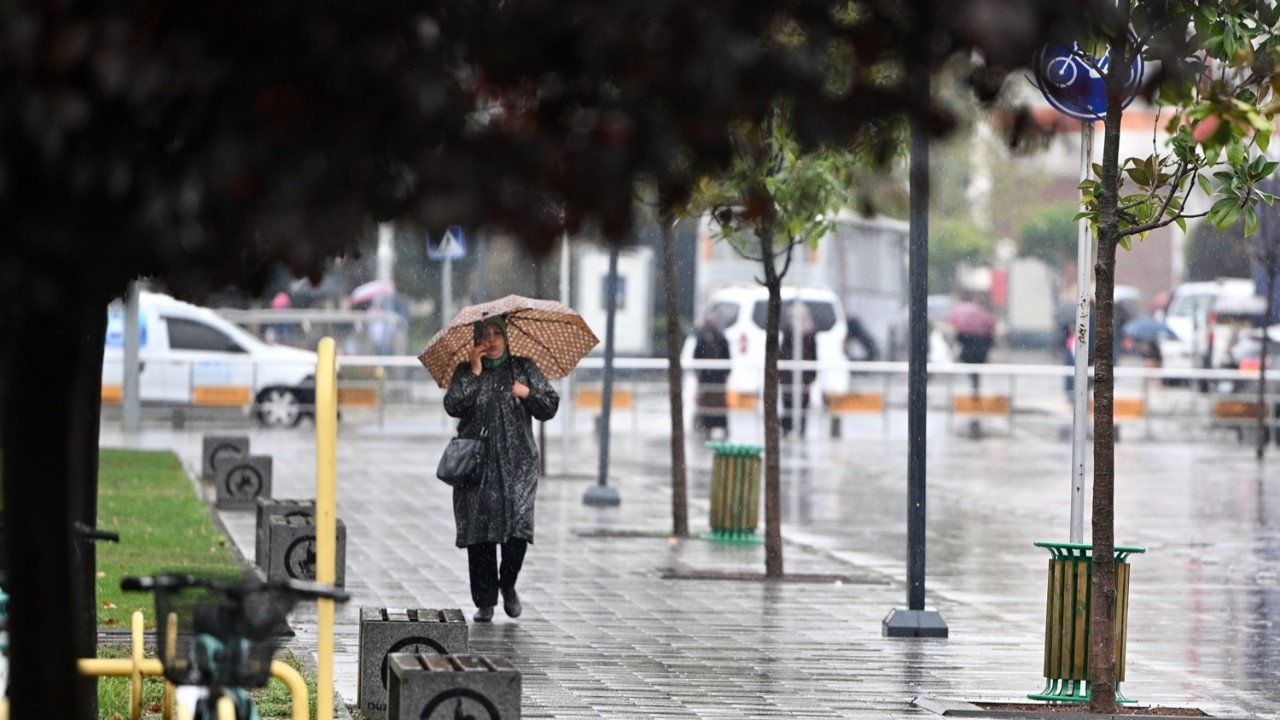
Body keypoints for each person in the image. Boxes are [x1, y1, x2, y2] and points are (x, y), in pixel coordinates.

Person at [443, 316, 559, 622]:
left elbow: (549, 405)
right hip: (477, 469)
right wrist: (475, 373)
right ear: (476, 341)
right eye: (485, 335)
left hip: (518, 466)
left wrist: (527, 393)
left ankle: (508, 585)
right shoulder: (466, 371)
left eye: (497, 333)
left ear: (507, 337)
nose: (491, 340)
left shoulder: (524, 368)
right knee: (480, 535)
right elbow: (453, 405)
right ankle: (485, 601)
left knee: (517, 530)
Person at [779, 301, 817, 438]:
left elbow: (813, 355)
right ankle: (787, 427)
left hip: (804, 375)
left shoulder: (810, 332)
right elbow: (783, 352)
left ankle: (800, 429)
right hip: (790, 375)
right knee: (788, 402)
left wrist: (812, 374)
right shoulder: (789, 331)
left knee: (802, 403)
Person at [692, 311, 731, 439]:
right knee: (706, 402)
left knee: (718, 403)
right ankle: (707, 425)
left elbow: (727, 358)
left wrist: (726, 373)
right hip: (707, 378)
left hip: (717, 378)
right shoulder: (701, 338)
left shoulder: (721, 339)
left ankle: (720, 425)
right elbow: (696, 357)